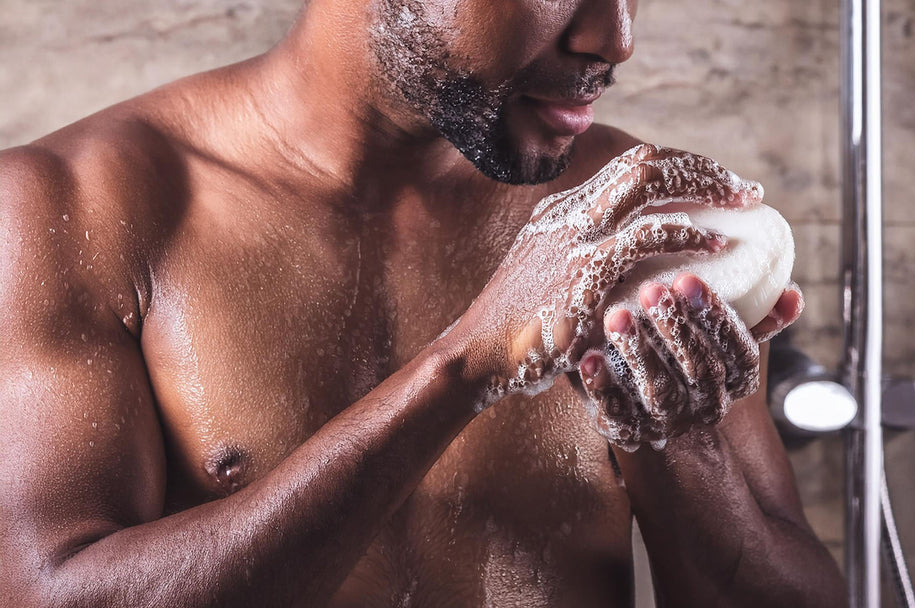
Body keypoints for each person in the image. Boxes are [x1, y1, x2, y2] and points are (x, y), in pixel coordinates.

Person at [0, 0, 845, 605]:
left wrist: (677, 438)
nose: (611, 35)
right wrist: (469, 361)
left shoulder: (633, 218)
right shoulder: (72, 206)